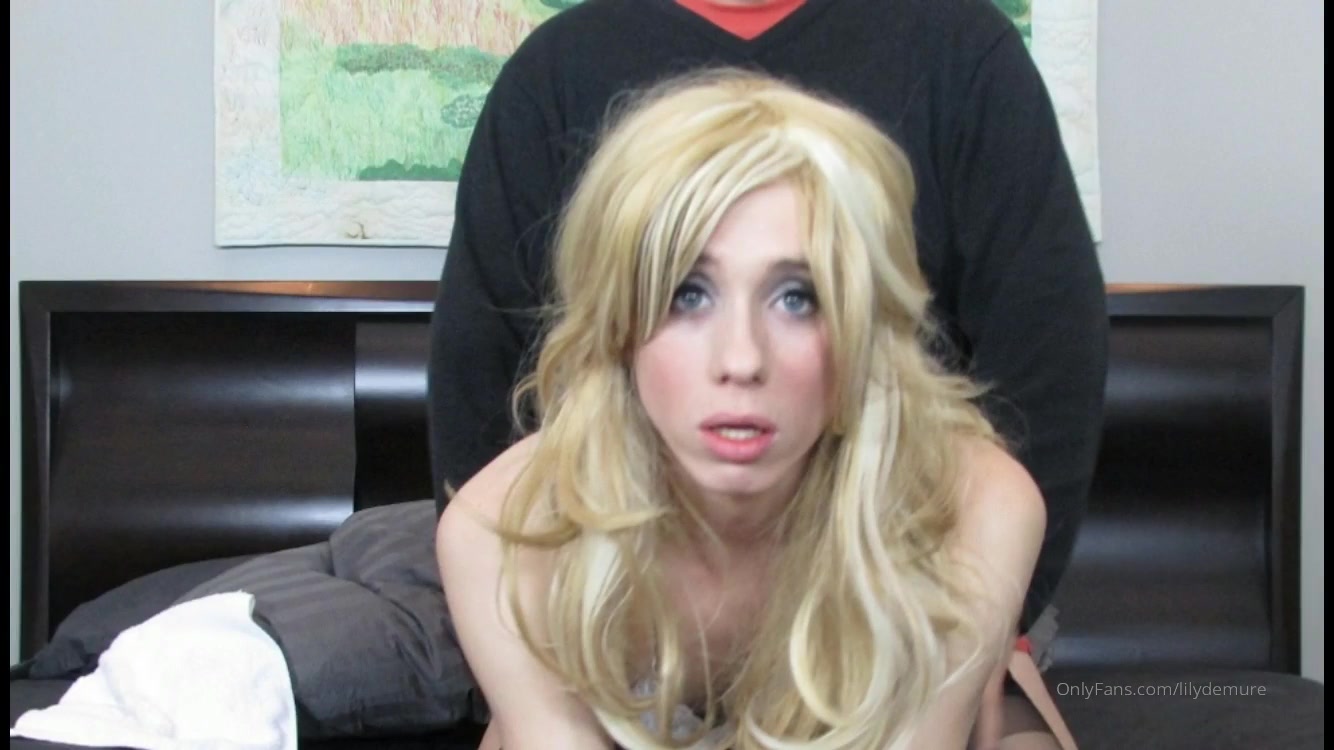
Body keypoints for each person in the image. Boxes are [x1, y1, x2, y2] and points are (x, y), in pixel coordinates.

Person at [425, 0, 1108, 655]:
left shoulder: (964, 50)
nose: (742, 358)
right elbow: (478, 380)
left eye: (799, 298)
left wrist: (994, 608)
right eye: (686, 294)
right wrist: (528, 621)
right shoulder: (554, 71)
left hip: (907, 582)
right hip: (610, 600)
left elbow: (1050, 358)